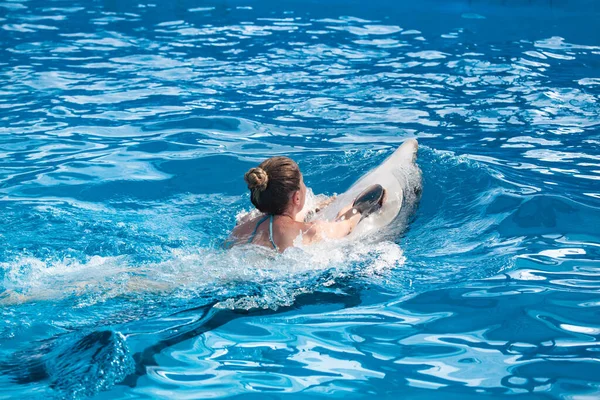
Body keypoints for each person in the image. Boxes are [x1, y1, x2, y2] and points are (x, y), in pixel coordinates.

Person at [226, 156, 383, 252]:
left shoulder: (243, 225)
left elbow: (279, 220)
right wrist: (357, 207)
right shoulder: (311, 231)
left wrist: (313, 208)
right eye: (303, 183)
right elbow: (346, 225)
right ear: (297, 197)